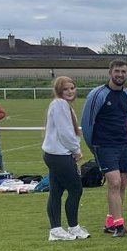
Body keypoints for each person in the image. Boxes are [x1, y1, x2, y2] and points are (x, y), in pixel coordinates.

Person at [80, 58, 127, 236]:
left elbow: (125, 119)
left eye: (123, 71)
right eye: (117, 71)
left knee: (122, 184)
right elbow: (87, 123)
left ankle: (111, 221)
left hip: (123, 144)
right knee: (114, 182)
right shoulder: (98, 94)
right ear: (110, 72)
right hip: (104, 145)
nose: (120, 75)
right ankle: (119, 225)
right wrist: (94, 147)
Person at [42, 76, 87, 240]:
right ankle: (72, 227)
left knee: (56, 192)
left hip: (55, 155)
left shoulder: (62, 106)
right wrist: (76, 150)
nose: (70, 91)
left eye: (72, 88)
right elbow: (65, 132)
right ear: (59, 91)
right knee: (76, 189)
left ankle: (56, 229)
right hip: (60, 156)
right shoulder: (60, 104)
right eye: (65, 89)